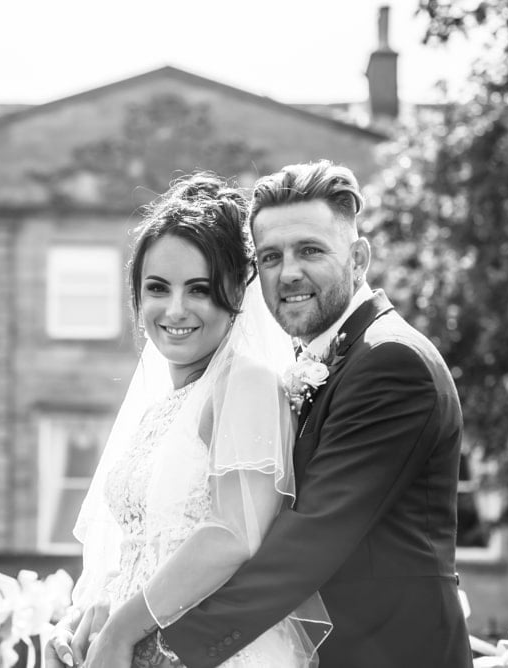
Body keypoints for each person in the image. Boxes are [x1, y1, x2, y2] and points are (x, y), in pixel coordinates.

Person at [73, 160, 473, 668]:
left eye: (310, 250)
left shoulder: (392, 362)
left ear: (358, 259)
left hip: (389, 651)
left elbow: (307, 541)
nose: (289, 273)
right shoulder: (310, 362)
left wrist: (159, 643)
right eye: (270, 257)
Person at [46, 173, 330, 668]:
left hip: (204, 651)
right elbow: (142, 545)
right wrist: (85, 620)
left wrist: (118, 631)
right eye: (158, 288)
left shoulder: (245, 382)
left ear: (235, 295)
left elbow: (233, 535)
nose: (175, 309)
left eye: (199, 289)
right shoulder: (161, 405)